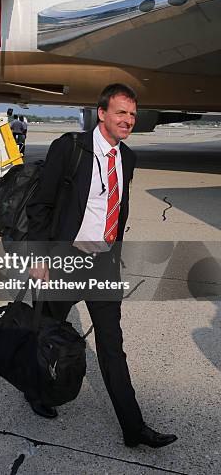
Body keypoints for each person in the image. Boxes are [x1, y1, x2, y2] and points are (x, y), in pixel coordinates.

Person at [26, 83, 178, 449]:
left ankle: (133, 427)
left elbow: (117, 209)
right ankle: (36, 391)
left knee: (112, 346)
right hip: (65, 258)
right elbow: (41, 205)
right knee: (46, 330)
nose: (128, 119)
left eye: (132, 114)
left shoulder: (127, 159)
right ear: (102, 113)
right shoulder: (70, 148)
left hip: (102, 265)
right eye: (121, 112)